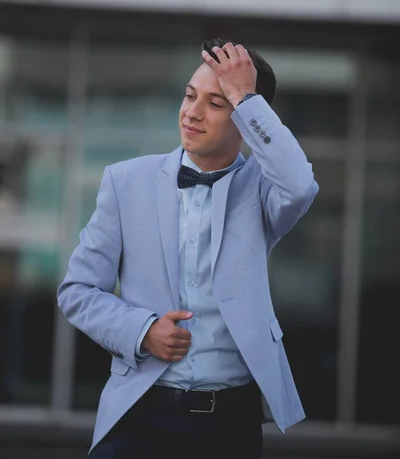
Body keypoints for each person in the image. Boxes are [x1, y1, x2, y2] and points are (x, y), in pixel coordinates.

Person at [57, 37, 319, 458]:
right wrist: (141, 331)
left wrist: (246, 96)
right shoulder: (125, 182)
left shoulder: (266, 191)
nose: (192, 113)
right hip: (140, 409)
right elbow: (77, 291)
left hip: (231, 420)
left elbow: (301, 184)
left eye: (216, 104)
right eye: (189, 95)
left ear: (247, 119)